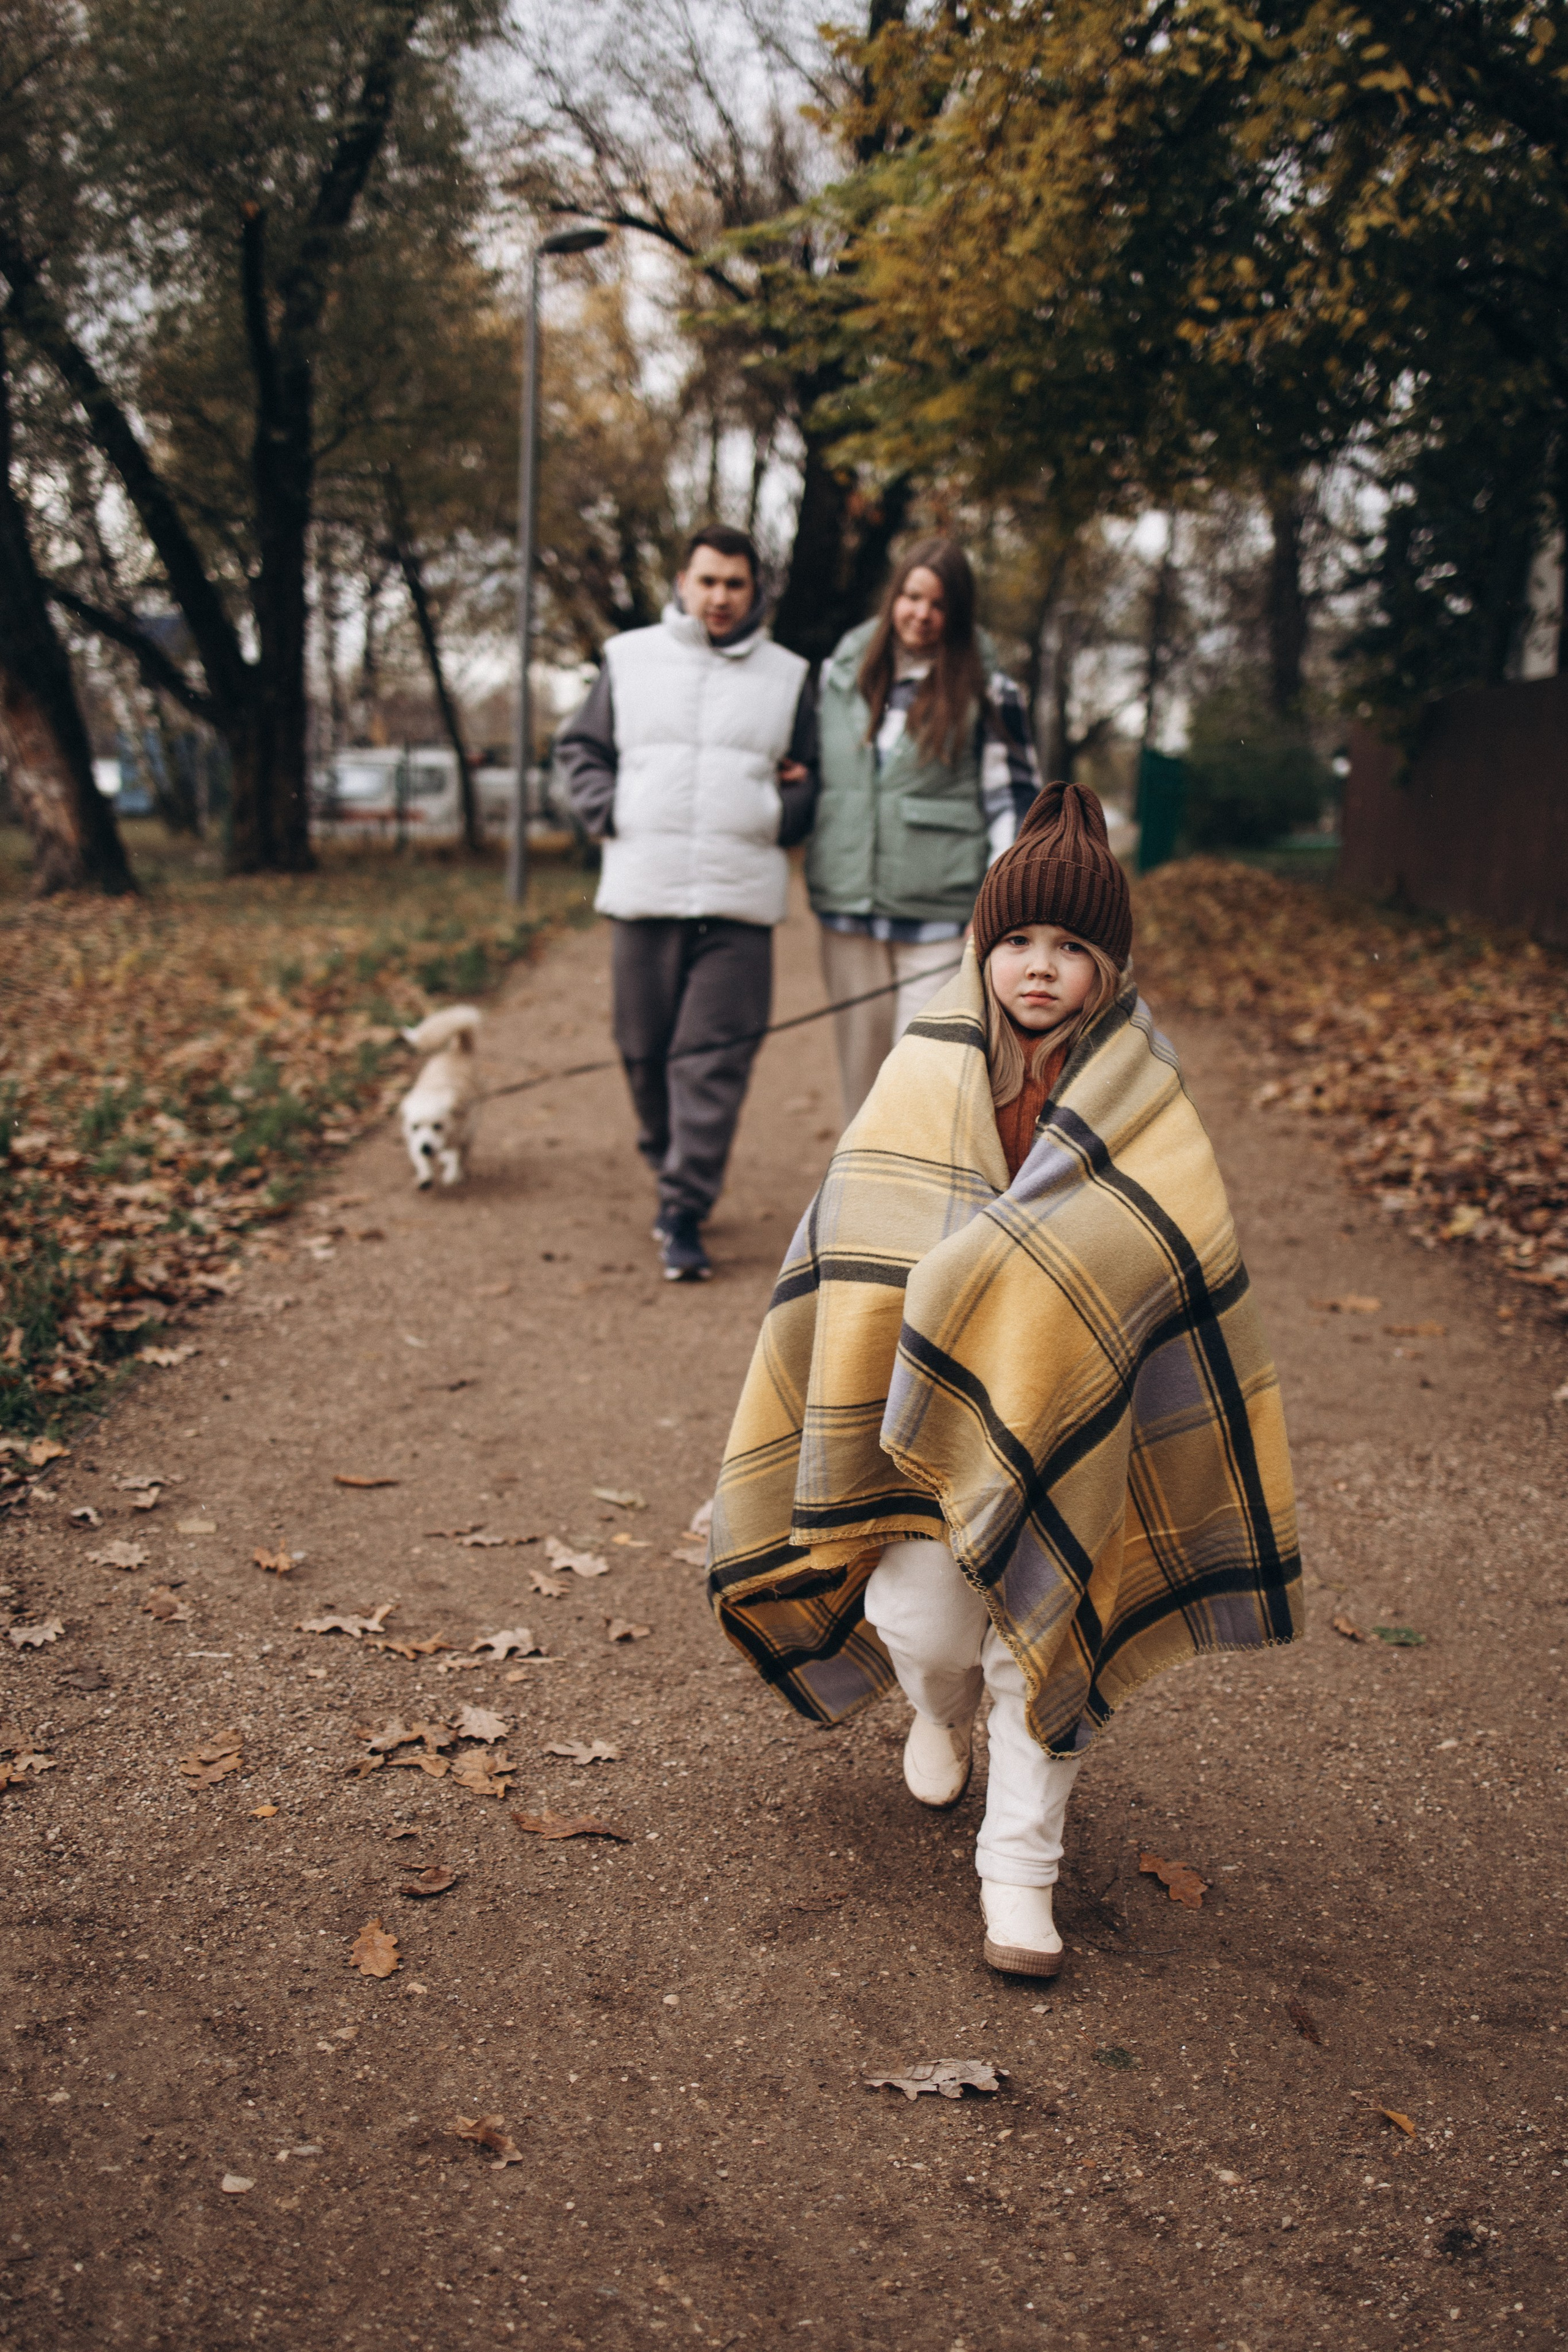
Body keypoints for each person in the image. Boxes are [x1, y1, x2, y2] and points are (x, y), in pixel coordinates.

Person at [706, 783, 1301, 1978]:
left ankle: (1019, 1874)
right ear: (984, 947)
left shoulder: (1142, 1090)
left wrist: (1033, 1280)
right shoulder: (924, 1069)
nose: (1039, 966)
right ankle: (935, 1712)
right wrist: (954, 1289)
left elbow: (1165, 1247)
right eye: (1018, 939)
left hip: (1069, 1413)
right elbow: (860, 1233)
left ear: (1107, 967)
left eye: (1070, 947)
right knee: (921, 1623)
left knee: (1040, 1640)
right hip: (921, 1425)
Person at [556, 526, 817, 1283]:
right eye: (707, 581)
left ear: (754, 591)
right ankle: (670, 1162)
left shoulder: (788, 675)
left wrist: (785, 813)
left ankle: (682, 1205)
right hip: (645, 890)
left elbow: (814, 771)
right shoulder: (628, 658)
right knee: (643, 1052)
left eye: (735, 584)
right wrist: (609, 808)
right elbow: (581, 750)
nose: (720, 597)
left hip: (739, 901)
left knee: (712, 1059)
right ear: (682, 582)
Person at [807, 535, 1042, 1126]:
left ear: (957, 614)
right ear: (894, 597)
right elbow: (818, 767)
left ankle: (921, 1187)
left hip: (941, 920)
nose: (922, 614)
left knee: (923, 1082)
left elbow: (1014, 802)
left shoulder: (989, 688)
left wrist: (997, 903)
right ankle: (859, 1185)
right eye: (912, 597)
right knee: (860, 1086)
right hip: (848, 913)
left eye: (939, 604)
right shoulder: (840, 677)